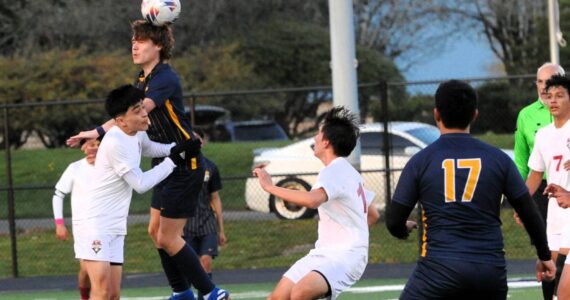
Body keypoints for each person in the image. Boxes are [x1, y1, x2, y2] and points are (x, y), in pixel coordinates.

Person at [66, 20, 229, 300]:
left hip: (185, 164)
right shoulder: (142, 79)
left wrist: (96, 132)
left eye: (141, 40)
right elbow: (128, 117)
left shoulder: (164, 77)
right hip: (167, 161)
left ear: (159, 46)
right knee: (155, 231)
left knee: (167, 237)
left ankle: (211, 291)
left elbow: (137, 113)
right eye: (133, 39)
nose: (134, 44)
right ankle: (181, 292)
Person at [385, 80, 555, 299]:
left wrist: (402, 228)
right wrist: (544, 255)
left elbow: (393, 221)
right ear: (475, 114)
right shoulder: (498, 159)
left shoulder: (421, 161)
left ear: (436, 114)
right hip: (488, 271)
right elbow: (529, 211)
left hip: (438, 270)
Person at [75, 84, 200, 300]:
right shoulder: (115, 142)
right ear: (121, 120)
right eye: (137, 110)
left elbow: (150, 147)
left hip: (115, 225)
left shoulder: (136, 133)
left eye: (143, 107)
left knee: (113, 294)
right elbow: (141, 184)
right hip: (95, 224)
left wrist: (176, 147)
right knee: (102, 291)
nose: (144, 113)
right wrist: (174, 159)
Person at [253, 106, 377, 300]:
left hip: (344, 257)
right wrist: (355, 236)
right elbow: (372, 214)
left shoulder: (334, 171)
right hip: (324, 253)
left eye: (318, 134)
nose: (315, 138)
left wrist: (269, 187)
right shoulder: (348, 171)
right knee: (277, 298)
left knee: (301, 292)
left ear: (326, 141)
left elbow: (312, 201)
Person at [514, 62, 564, 299]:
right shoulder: (537, 127)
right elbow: (530, 168)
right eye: (543, 84)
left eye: (556, 89)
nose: (548, 92)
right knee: (548, 255)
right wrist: (520, 201)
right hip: (547, 195)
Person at [527, 74, 570, 297]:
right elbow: (535, 173)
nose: (553, 100)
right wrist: (520, 203)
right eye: (549, 96)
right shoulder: (543, 135)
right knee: (549, 276)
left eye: (559, 96)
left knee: (562, 277)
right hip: (554, 215)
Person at [52, 138, 102, 300]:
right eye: (92, 144)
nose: (95, 148)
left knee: (102, 272)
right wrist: (59, 224)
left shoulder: (111, 167)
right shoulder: (75, 168)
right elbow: (58, 195)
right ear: (84, 147)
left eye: (99, 145)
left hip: (107, 227)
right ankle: (85, 296)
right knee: (87, 270)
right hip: (84, 229)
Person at [183, 133, 226, 300]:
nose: (195, 141)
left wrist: (221, 229)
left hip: (207, 222)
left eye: (197, 139)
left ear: (202, 143)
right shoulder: (180, 166)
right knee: (188, 267)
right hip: (185, 224)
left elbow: (215, 198)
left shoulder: (210, 167)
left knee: (206, 261)